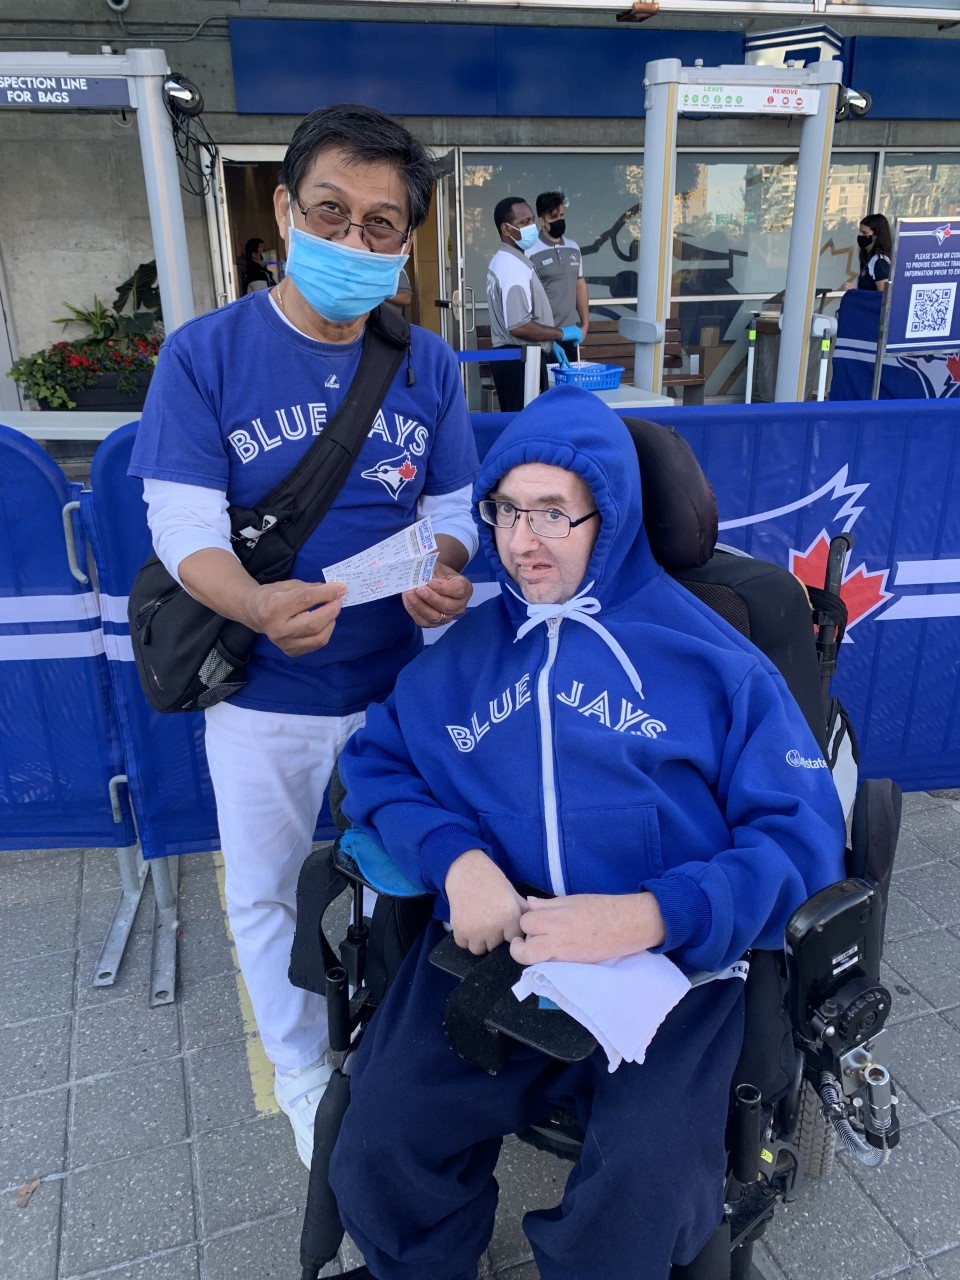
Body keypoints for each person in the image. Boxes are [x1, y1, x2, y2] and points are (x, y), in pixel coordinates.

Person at [329, 385, 847, 1280]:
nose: (521, 542)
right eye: (505, 511)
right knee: (379, 1148)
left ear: (609, 517)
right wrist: (456, 863)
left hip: (672, 963)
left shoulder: (719, 661)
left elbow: (802, 842)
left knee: (641, 1199)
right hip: (508, 944)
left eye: (553, 515)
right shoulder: (466, 658)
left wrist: (649, 915)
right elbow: (375, 766)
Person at [128, 104, 479, 1168]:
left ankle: (409, 1054)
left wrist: (447, 575)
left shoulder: (426, 363)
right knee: (265, 891)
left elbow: (455, 512)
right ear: (284, 210)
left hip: (399, 695)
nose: (356, 241)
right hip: (262, 694)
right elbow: (181, 525)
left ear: (407, 242)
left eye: (383, 226)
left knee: (412, 874)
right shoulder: (204, 356)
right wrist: (254, 604)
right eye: (332, 212)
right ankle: (298, 1069)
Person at [485, 197, 579, 412]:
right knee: (528, 428)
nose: (530, 228)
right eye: (523, 223)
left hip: (518, 358)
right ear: (505, 229)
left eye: (531, 220)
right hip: (519, 362)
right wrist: (560, 334)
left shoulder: (504, 260)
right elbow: (518, 325)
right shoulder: (512, 268)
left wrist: (548, 343)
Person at [526, 190, 590, 363]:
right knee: (546, 388)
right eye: (553, 217)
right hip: (543, 338)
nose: (559, 221)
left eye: (561, 215)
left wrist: (584, 325)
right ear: (541, 221)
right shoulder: (530, 252)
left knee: (568, 388)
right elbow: (526, 298)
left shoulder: (574, 248)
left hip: (569, 335)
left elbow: (580, 286)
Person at [844, 213, 892, 292]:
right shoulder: (869, 258)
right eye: (860, 232)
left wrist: (855, 291)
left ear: (876, 235)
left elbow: (882, 296)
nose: (860, 236)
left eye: (864, 233)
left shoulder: (879, 261)